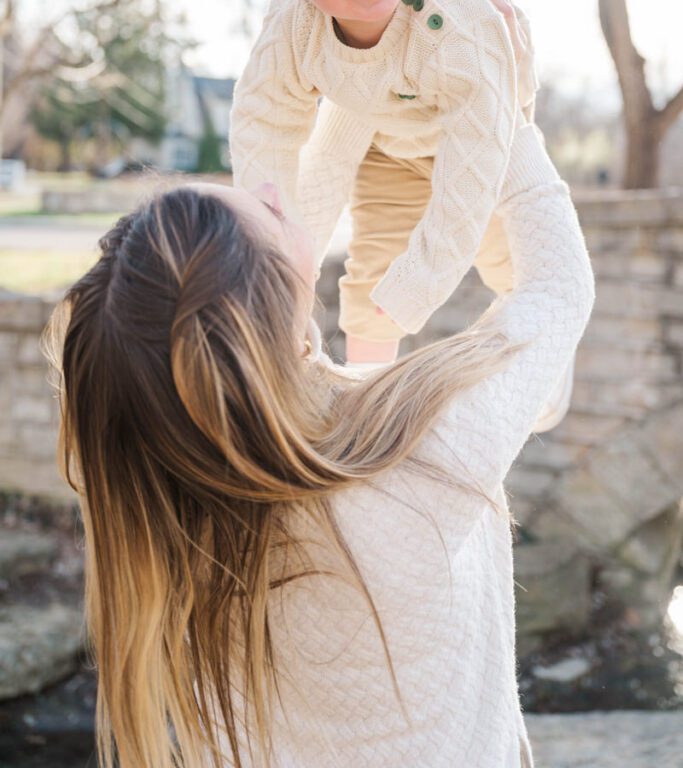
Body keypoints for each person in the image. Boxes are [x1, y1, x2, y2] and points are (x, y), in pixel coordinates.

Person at [46, 105, 594, 767]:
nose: (275, 191)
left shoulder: (168, 494)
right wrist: (497, 102)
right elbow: (556, 287)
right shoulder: (417, 462)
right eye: (268, 213)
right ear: (276, 307)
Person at [230, 0, 575, 432]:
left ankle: (539, 377)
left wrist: (415, 289)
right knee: (372, 272)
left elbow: (466, 187)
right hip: (383, 134)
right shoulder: (292, 26)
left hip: (485, 134)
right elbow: (265, 127)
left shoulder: (460, 24)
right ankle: (367, 404)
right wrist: (279, 251)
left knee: (507, 265)